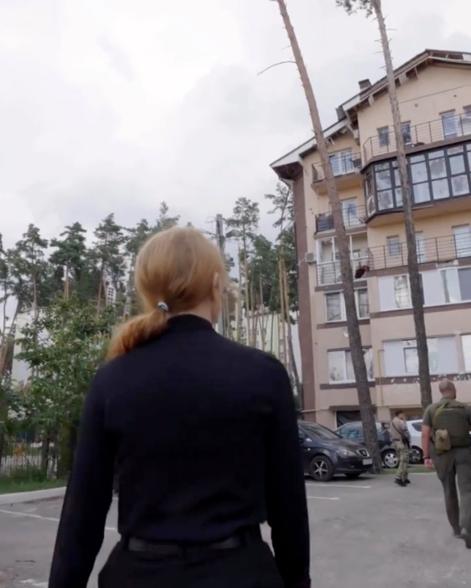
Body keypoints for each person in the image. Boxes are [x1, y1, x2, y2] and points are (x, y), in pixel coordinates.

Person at [49, 227, 311, 588]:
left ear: (148, 291)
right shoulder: (263, 375)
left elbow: (82, 512)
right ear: (216, 285)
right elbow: (289, 508)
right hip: (241, 575)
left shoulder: (113, 379)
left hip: (137, 576)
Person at [422, 378, 471, 548]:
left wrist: (426, 457)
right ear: (453, 389)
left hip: (442, 455)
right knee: (467, 491)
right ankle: (468, 528)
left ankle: (456, 529)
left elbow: (425, 434)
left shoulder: (431, 409)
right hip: (465, 453)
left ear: (440, 391)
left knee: (448, 491)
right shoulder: (465, 408)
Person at [390, 410, 410, 487]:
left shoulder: (392, 422)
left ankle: (405, 477)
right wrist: (404, 421)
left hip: (395, 443)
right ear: (400, 414)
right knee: (404, 460)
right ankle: (398, 477)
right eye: (403, 414)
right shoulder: (400, 421)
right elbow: (405, 429)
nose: (403, 416)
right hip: (401, 443)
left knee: (402, 459)